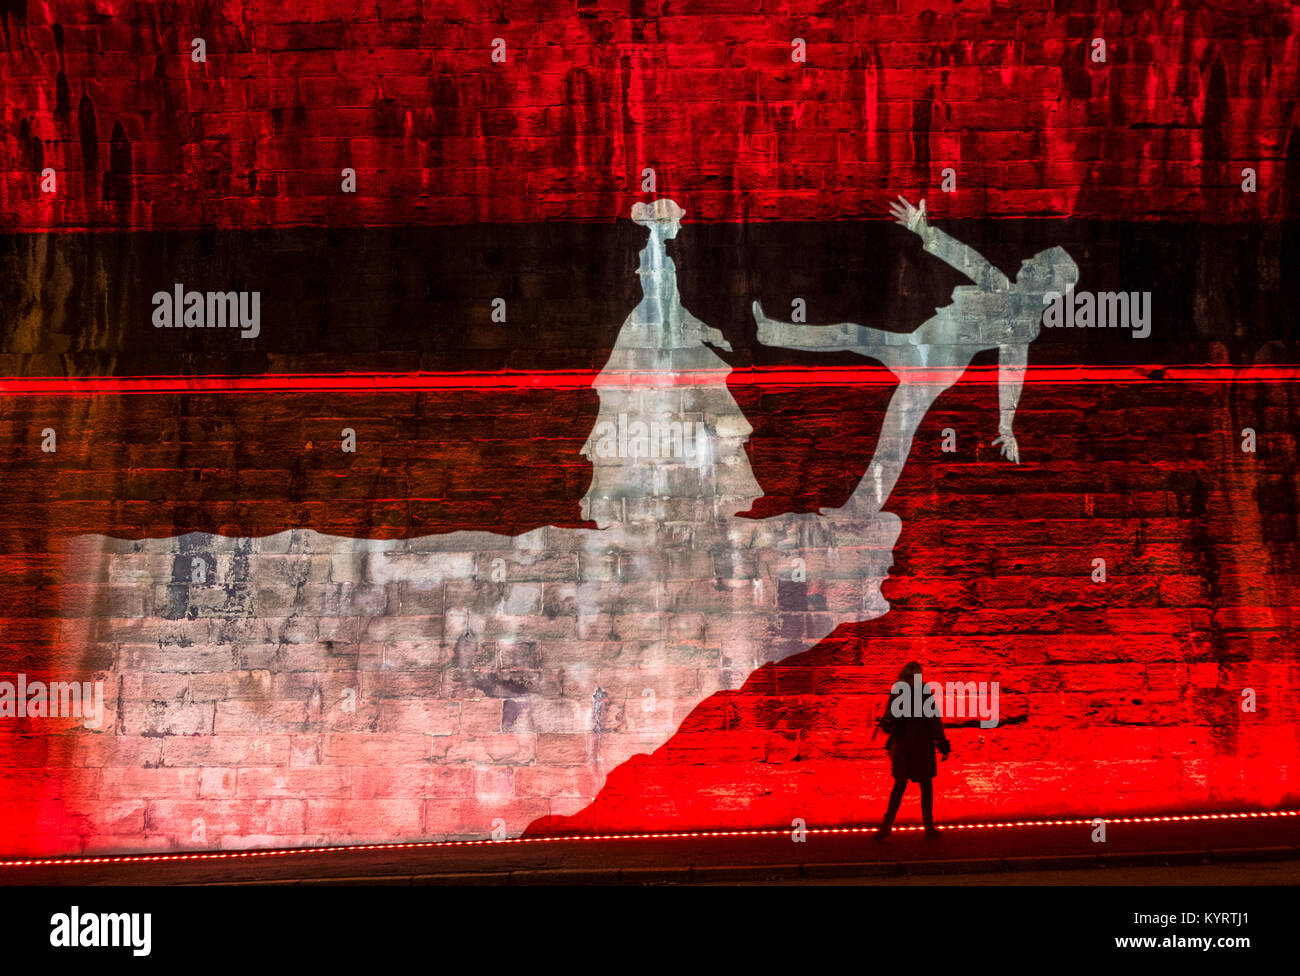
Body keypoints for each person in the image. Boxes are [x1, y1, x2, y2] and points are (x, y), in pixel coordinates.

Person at [753, 196, 1079, 513]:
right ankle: (858, 513)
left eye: (1036, 263)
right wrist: (924, 230)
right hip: (917, 349)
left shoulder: (1020, 321)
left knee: (886, 417)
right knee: (891, 428)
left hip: (930, 365)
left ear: (1047, 282)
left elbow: (1011, 372)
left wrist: (1006, 425)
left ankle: (858, 514)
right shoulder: (1004, 291)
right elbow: (968, 259)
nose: (1025, 261)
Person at [874, 661, 950, 838]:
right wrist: (942, 743)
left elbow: (888, 720)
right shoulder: (924, 694)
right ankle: (928, 826)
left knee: (899, 785)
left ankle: (887, 824)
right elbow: (934, 721)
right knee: (926, 785)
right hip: (923, 744)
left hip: (902, 744)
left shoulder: (897, 693)